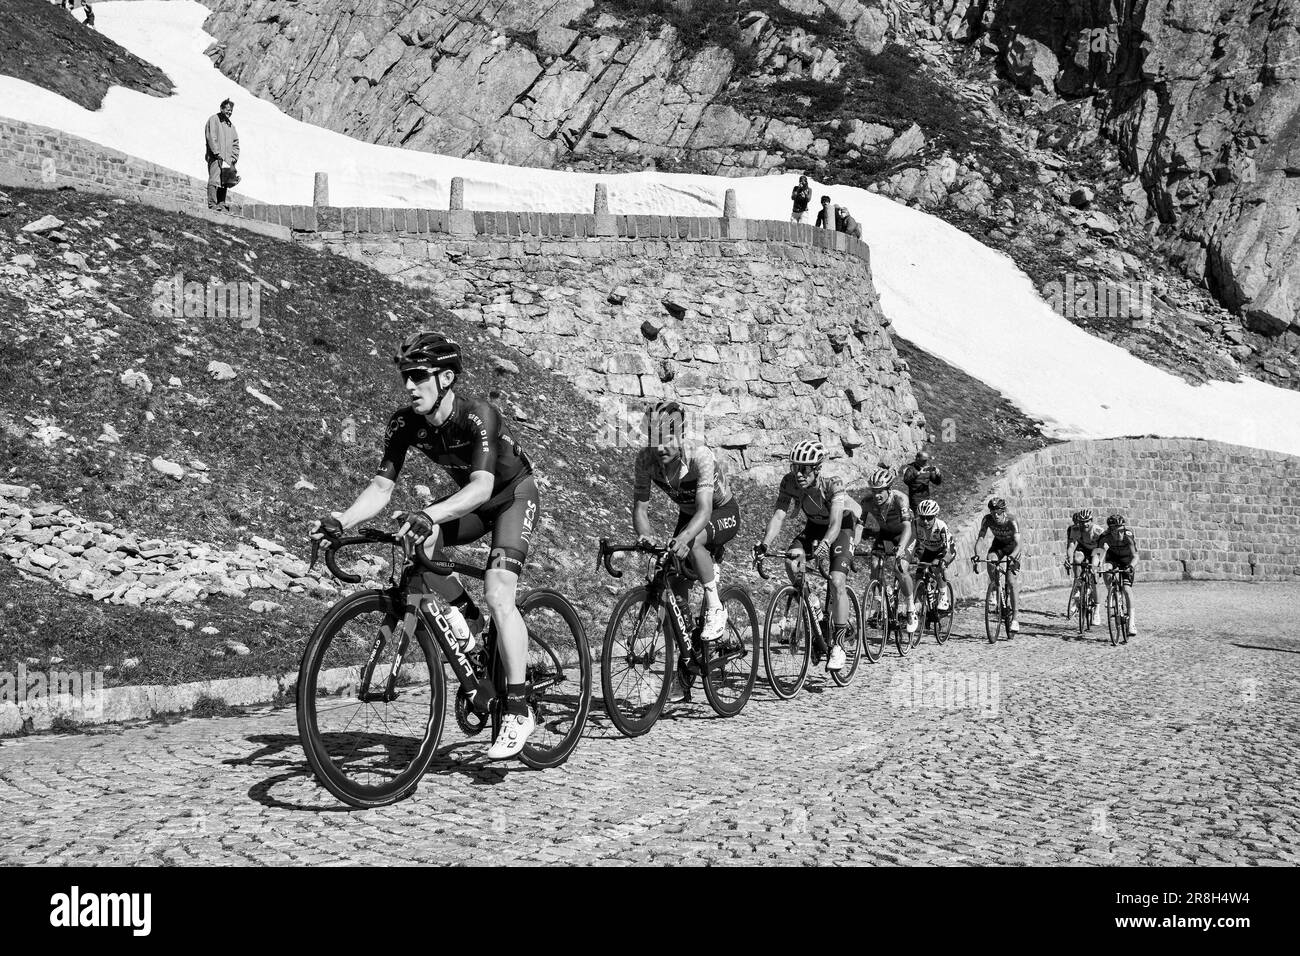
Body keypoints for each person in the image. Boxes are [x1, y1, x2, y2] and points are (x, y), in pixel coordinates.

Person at [310, 332, 540, 760]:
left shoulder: (478, 416)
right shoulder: (405, 423)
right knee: (419, 543)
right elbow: (381, 486)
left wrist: (431, 512)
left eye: (418, 376)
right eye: (405, 377)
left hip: (511, 496)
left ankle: (518, 706)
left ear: (447, 378)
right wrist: (341, 519)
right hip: (472, 501)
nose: (409, 386)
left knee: (498, 593)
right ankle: (468, 623)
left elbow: (483, 485)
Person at [632, 401, 739, 643]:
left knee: (693, 543)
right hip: (689, 514)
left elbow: (704, 510)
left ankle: (715, 606)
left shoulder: (699, 455)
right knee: (671, 573)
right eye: (654, 439)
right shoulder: (645, 460)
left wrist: (684, 538)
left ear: (681, 435)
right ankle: (689, 649)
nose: (660, 448)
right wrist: (645, 535)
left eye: (667, 439)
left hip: (720, 511)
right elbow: (640, 508)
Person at [753, 439, 862, 671]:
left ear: (817, 469)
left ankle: (840, 646)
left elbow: (834, 523)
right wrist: (763, 545)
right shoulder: (789, 482)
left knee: (836, 580)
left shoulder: (833, 484)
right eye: (795, 467)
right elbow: (779, 516)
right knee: (792, 560)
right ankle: (813, 605)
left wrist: (825, 543)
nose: (798, 474)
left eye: (804, 469)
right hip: (813, 527)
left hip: (840, 529)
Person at [856, 465, 919, 634]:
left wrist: (901, 548)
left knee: (900, 569)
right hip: (885, 534)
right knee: (875, 564)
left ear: (888, 489)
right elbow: (859, 526)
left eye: (881, 491)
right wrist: (853, 545)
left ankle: (911, 607)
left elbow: (907, 527)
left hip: (905, 534)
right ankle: (878, 603)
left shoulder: (900, 499)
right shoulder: (867, 502)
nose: (877, 495)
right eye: (874, 491)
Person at [975, 497, 1022, 633]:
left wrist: (1013, 557)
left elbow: (1019, 544)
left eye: (998, 512)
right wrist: (977, 555)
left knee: (1011, 581)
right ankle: (995, 590)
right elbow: (981, 539)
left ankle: (1015, 618)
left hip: (1013, 547)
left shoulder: (1012, 520)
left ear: (1004, 511)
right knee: (990, 559)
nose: (995, 515)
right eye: (993, 512)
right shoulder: (987, 519)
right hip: (999, 546)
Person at [1096, 513, 1139, 637]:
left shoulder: (1128, 535)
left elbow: (1136, 556)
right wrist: (1096, 566)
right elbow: (1098, 554)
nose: (1120, 534)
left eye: (1121, 530)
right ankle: (1111, 592)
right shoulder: (1104, 536)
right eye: (1116, 531)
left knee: (1126, 589)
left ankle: (1131, 623)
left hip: (1127, 560)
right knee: (1106, 569)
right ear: (1110, 530)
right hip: (1113, 559)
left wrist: (1131, 566)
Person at [911, 498, 955, 611]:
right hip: (929, 549)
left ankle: (944, 598)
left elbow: (947, 549)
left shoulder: (941, 526)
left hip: (945, 550)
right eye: (922, 517)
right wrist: (914, 556)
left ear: (935, 516)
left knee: (937, 567)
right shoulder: (915, 524)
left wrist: (942, 561)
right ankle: (919, 604)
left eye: (929, 518)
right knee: (919, 574)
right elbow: (912, 542)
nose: (925, 521)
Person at [1064, 508, 1105, 625]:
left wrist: (1099, 563)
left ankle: (1096, 610)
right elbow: (1071, 546)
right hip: (1083, 549)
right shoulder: (1075, 529)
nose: (1084, 524)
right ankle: (1078, 585)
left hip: (1096, 550)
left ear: (1091, 520)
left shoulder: (1098, 531)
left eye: (1087, 521)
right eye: (1081, 522)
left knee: (1093, 572)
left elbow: (1102, 549)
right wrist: (1069, 559)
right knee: (1077, 560)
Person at [204, 99, 239, 210]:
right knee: (214, 180)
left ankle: (221, 203)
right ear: (222, 108)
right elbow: (211, 137)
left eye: (231, 110)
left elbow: (235, 143)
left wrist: (234, 158)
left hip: (227, 159)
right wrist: (217, 153)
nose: (229, 112)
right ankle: (212, 204)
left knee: (224, 182)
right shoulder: (214, 119)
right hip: (216, 157)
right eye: (228, 109)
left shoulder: (231, 126)